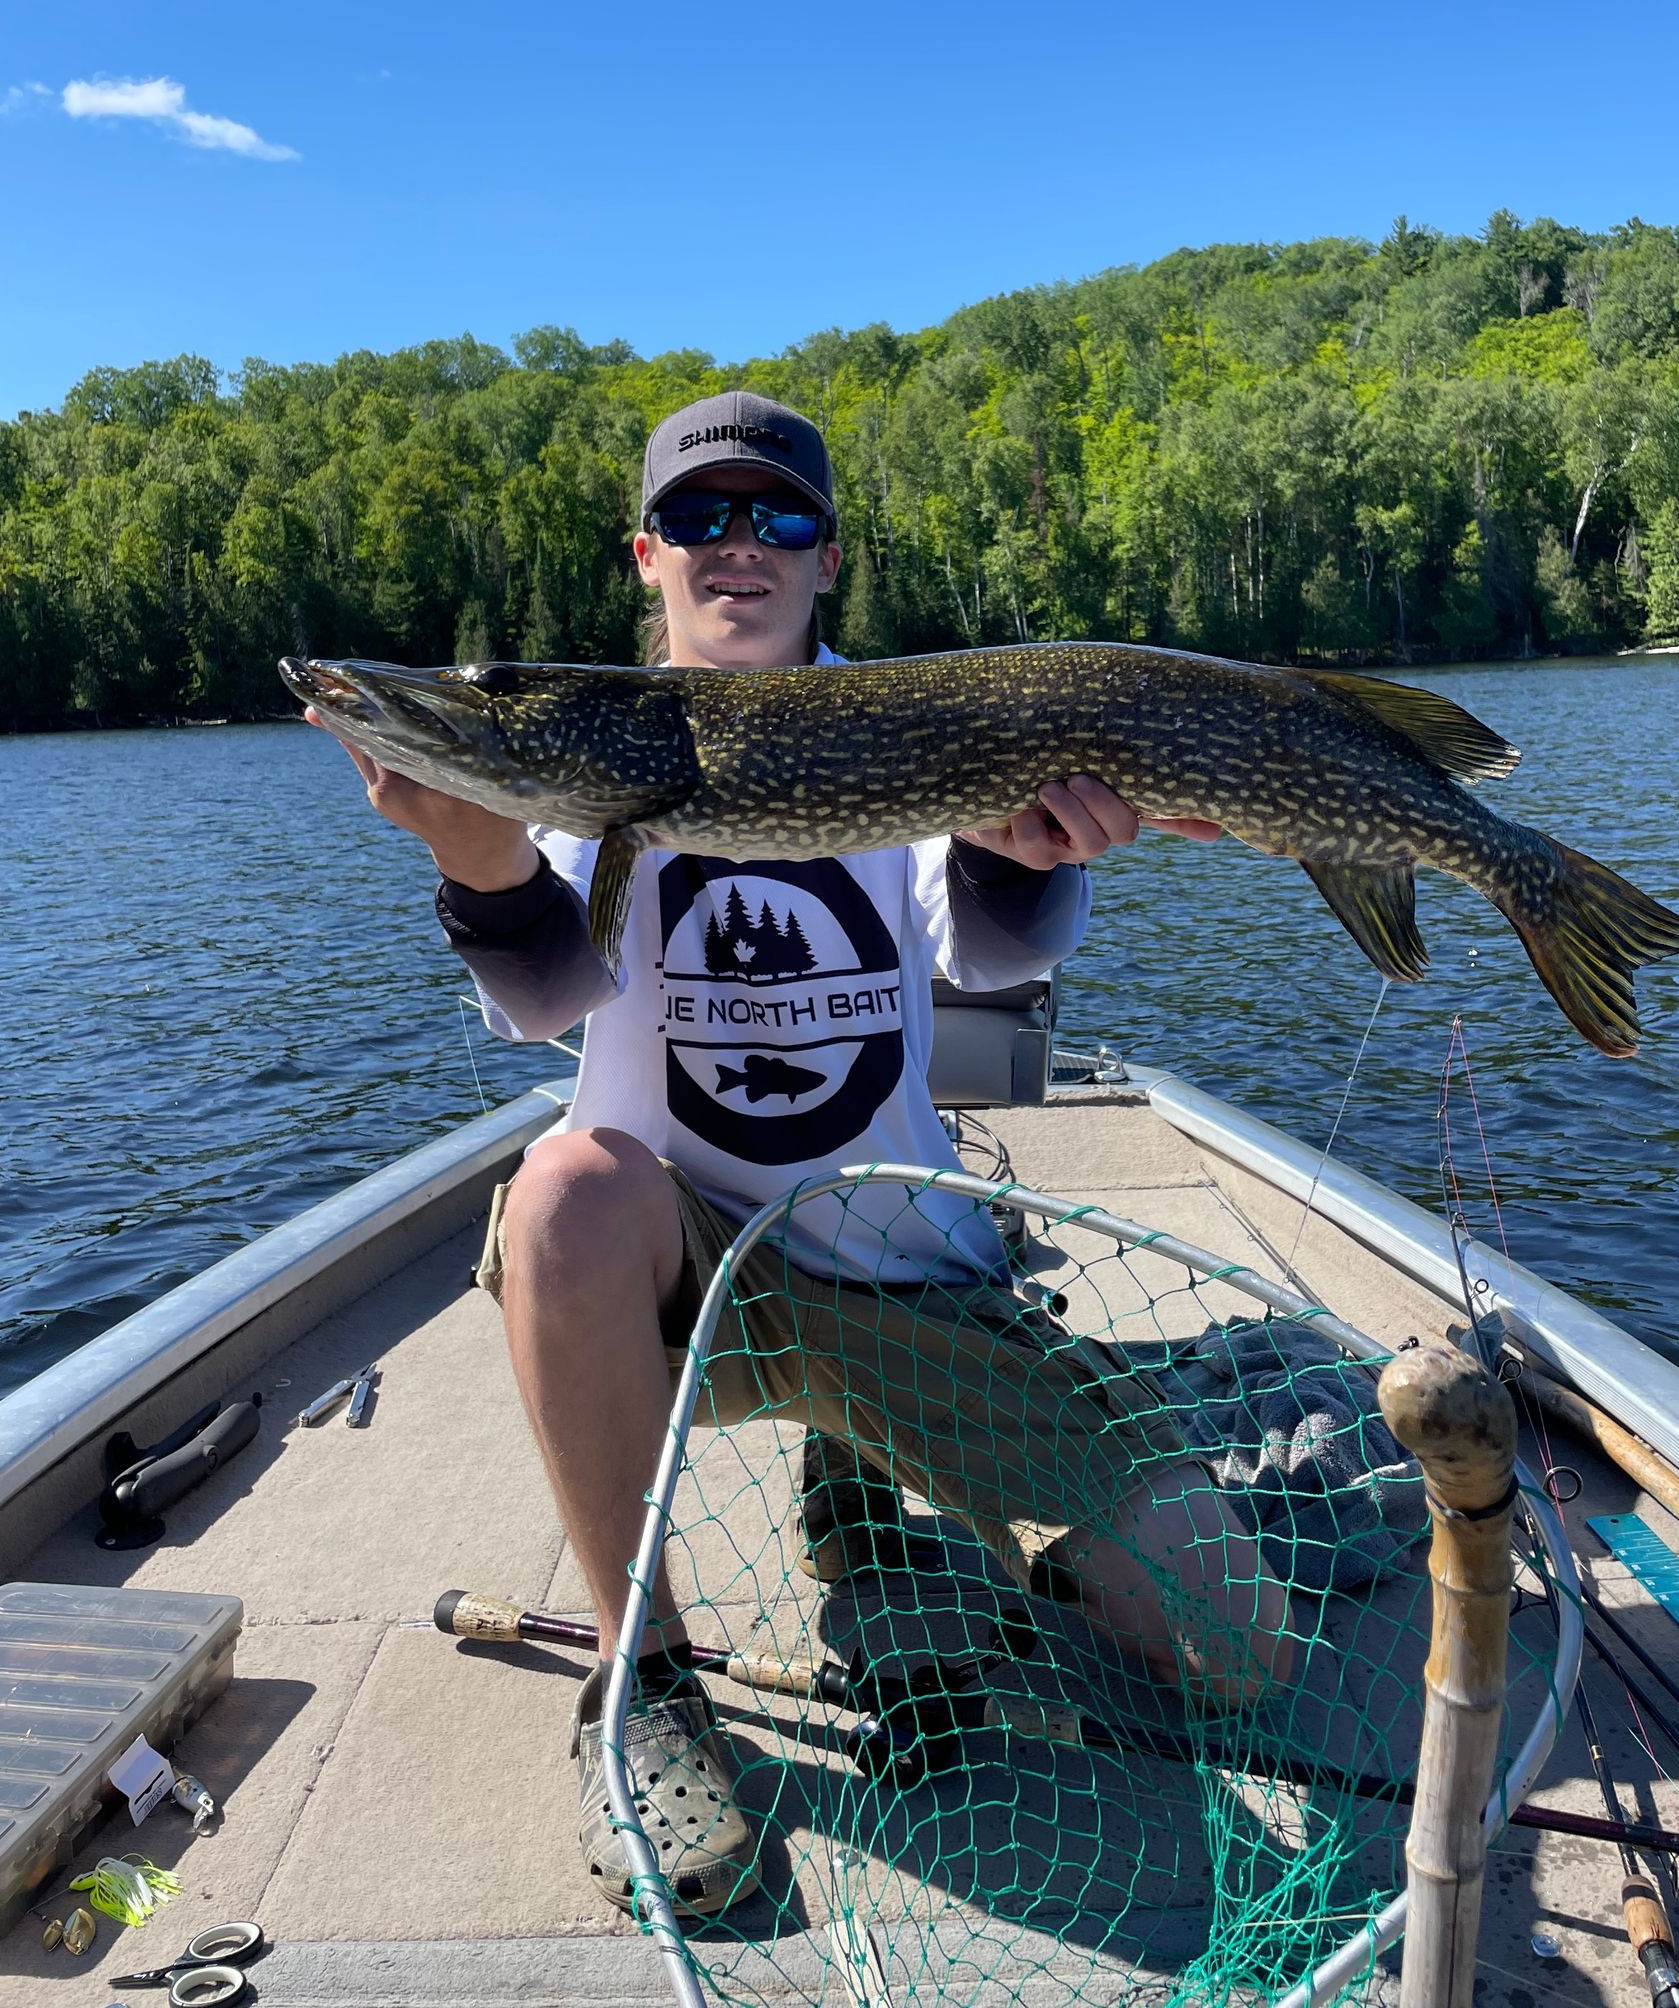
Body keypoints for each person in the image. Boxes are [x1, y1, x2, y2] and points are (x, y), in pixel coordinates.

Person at [305, 388, 1291, 1921]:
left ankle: (888, 1498)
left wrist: (1018, 840)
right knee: (562, 1187)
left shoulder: (919, 719)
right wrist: (481, 861)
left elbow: (994, 958)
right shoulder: (595, 757)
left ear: (828, 559)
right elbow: (546, 998)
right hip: (684, 1276)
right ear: (648, 558)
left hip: (903, 1266)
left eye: (776, 519)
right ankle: (647, 1677)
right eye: (701, 518)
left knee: (1236, 1650)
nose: (738, 546)